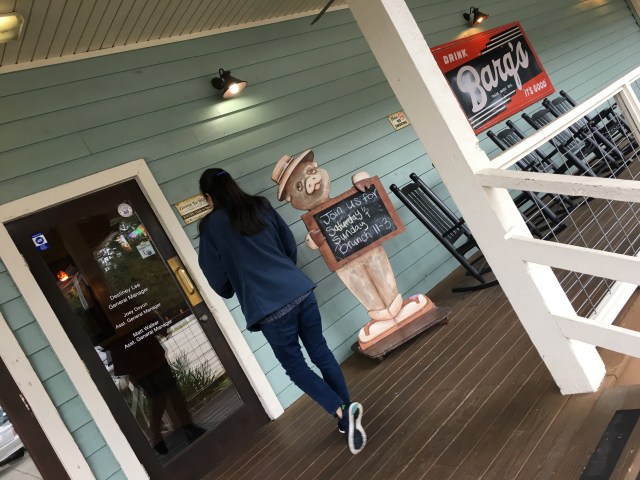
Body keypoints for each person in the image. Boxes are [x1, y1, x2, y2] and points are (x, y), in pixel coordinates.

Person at [197, 168, 366, 455]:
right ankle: (346, 415)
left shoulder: (212, 226)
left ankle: (342, 411)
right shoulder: (260, 205)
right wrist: (284, 272)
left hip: (268, 307)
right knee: (321, 352)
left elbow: (216, 277)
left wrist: (233, 285)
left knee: (295, 367)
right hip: (299, 290)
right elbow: (288, 245)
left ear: (208, 196)